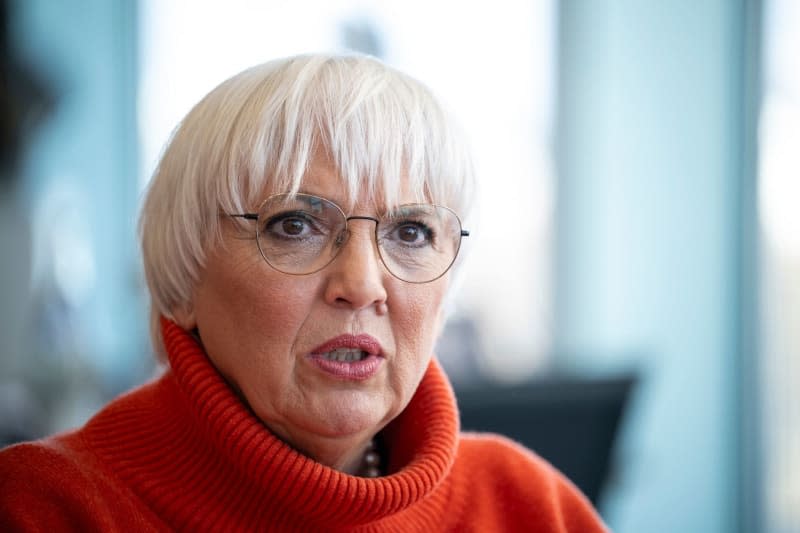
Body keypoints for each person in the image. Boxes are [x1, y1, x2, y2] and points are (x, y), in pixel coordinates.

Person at [0, 54, 607, 532]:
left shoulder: (528, 505)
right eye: (293, 224)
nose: (363, 285)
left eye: (412, 231)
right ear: (185, 276)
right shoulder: (43, 508)